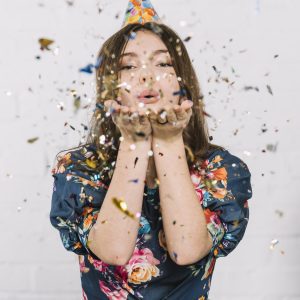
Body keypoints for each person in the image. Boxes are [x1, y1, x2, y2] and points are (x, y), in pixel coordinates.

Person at [49, 1, 253, 299]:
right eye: (128, 66)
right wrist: (135, 140)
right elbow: (114, 251)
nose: (146, 75)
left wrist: (169, 141)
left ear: (183, 82)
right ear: (109, 87)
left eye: (163, 63)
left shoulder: (220, 169)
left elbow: (186, 250)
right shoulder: (78, 169)